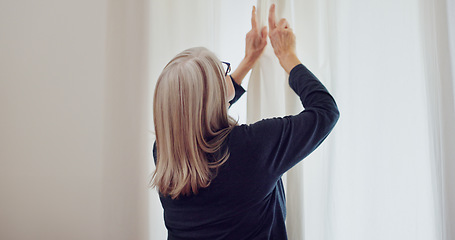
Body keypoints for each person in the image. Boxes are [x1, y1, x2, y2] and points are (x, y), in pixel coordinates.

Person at [151, 4, 339, 240]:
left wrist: (248, 61)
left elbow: (196, 116)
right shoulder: (251, 148)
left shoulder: (166, 151)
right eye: (222, 75)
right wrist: (288, 57)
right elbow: (325, 111)